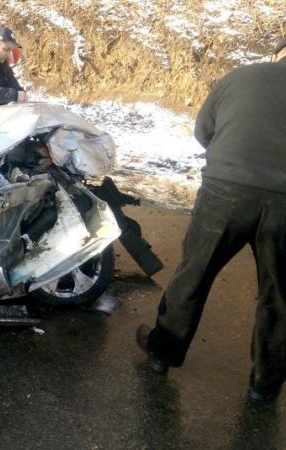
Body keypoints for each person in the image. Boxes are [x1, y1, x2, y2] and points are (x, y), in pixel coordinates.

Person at [136, 37, 286, 401]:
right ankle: (265, 383)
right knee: (279, 294)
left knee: (194, 273)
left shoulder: (240, 77)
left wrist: (232, 161)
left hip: (224, 191)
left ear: (278, 53)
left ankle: (162, 353)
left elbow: (203, 131)